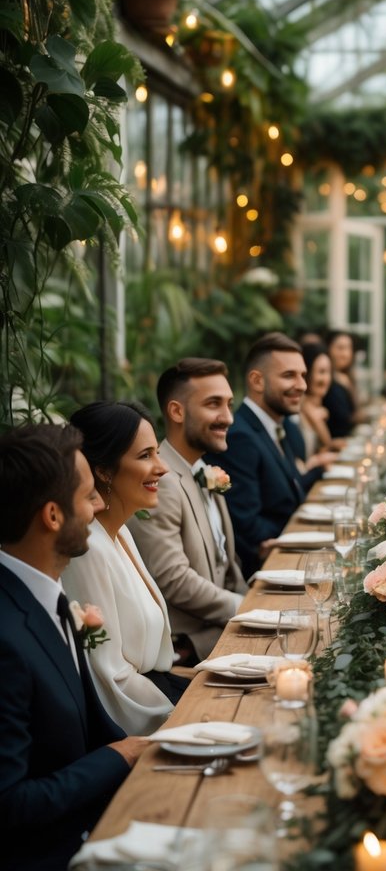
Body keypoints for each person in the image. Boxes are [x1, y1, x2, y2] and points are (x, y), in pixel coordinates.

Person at [0, 424, 144, 871]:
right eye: (88, 496)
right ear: (53, 516)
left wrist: (159, 750)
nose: (101, 504)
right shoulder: (5, 637)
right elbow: (9, 805)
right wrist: (119, 757)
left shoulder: (45, 593)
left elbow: (93, 726)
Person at [63, 401, 187, 735]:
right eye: (145, 456)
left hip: (159, 688)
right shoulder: (87, 548)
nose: (162, 468)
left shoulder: (122, 534)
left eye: (157, 453)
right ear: (103, 470)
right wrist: (182, 719)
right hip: (134, 720)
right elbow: (109, 677)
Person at [128, 358, 247, 664]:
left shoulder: (202, 469)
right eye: (213, 404)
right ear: (177, 411)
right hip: (191, 649)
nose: (228, 418)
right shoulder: (160, 481)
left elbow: (226, 561)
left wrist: (259, 604)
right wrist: (245, 607)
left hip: (225, 632)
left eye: (229, 404)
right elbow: (173, 579)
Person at [221, 332, 325, 579]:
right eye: (289, 375)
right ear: (257, 381)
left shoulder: (278, 425)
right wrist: (298, 536)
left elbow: (292, 492)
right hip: (269, 572)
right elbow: (249, 527)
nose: (302, 385)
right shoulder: (241, 436)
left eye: (302, 375)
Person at [296, 343, 345, 455]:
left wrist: (333, 444)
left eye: (328, 372)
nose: (326, 379)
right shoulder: (298, 408)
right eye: (321, 372)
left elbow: (324, 447)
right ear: (307, 374)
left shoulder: (316, 406)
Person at [324, 330, 361, 437]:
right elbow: (348, 419)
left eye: (348, 348)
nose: (345, 354)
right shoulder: (328, 384)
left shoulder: (345, 377)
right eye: (340, 348)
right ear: (328, 349)